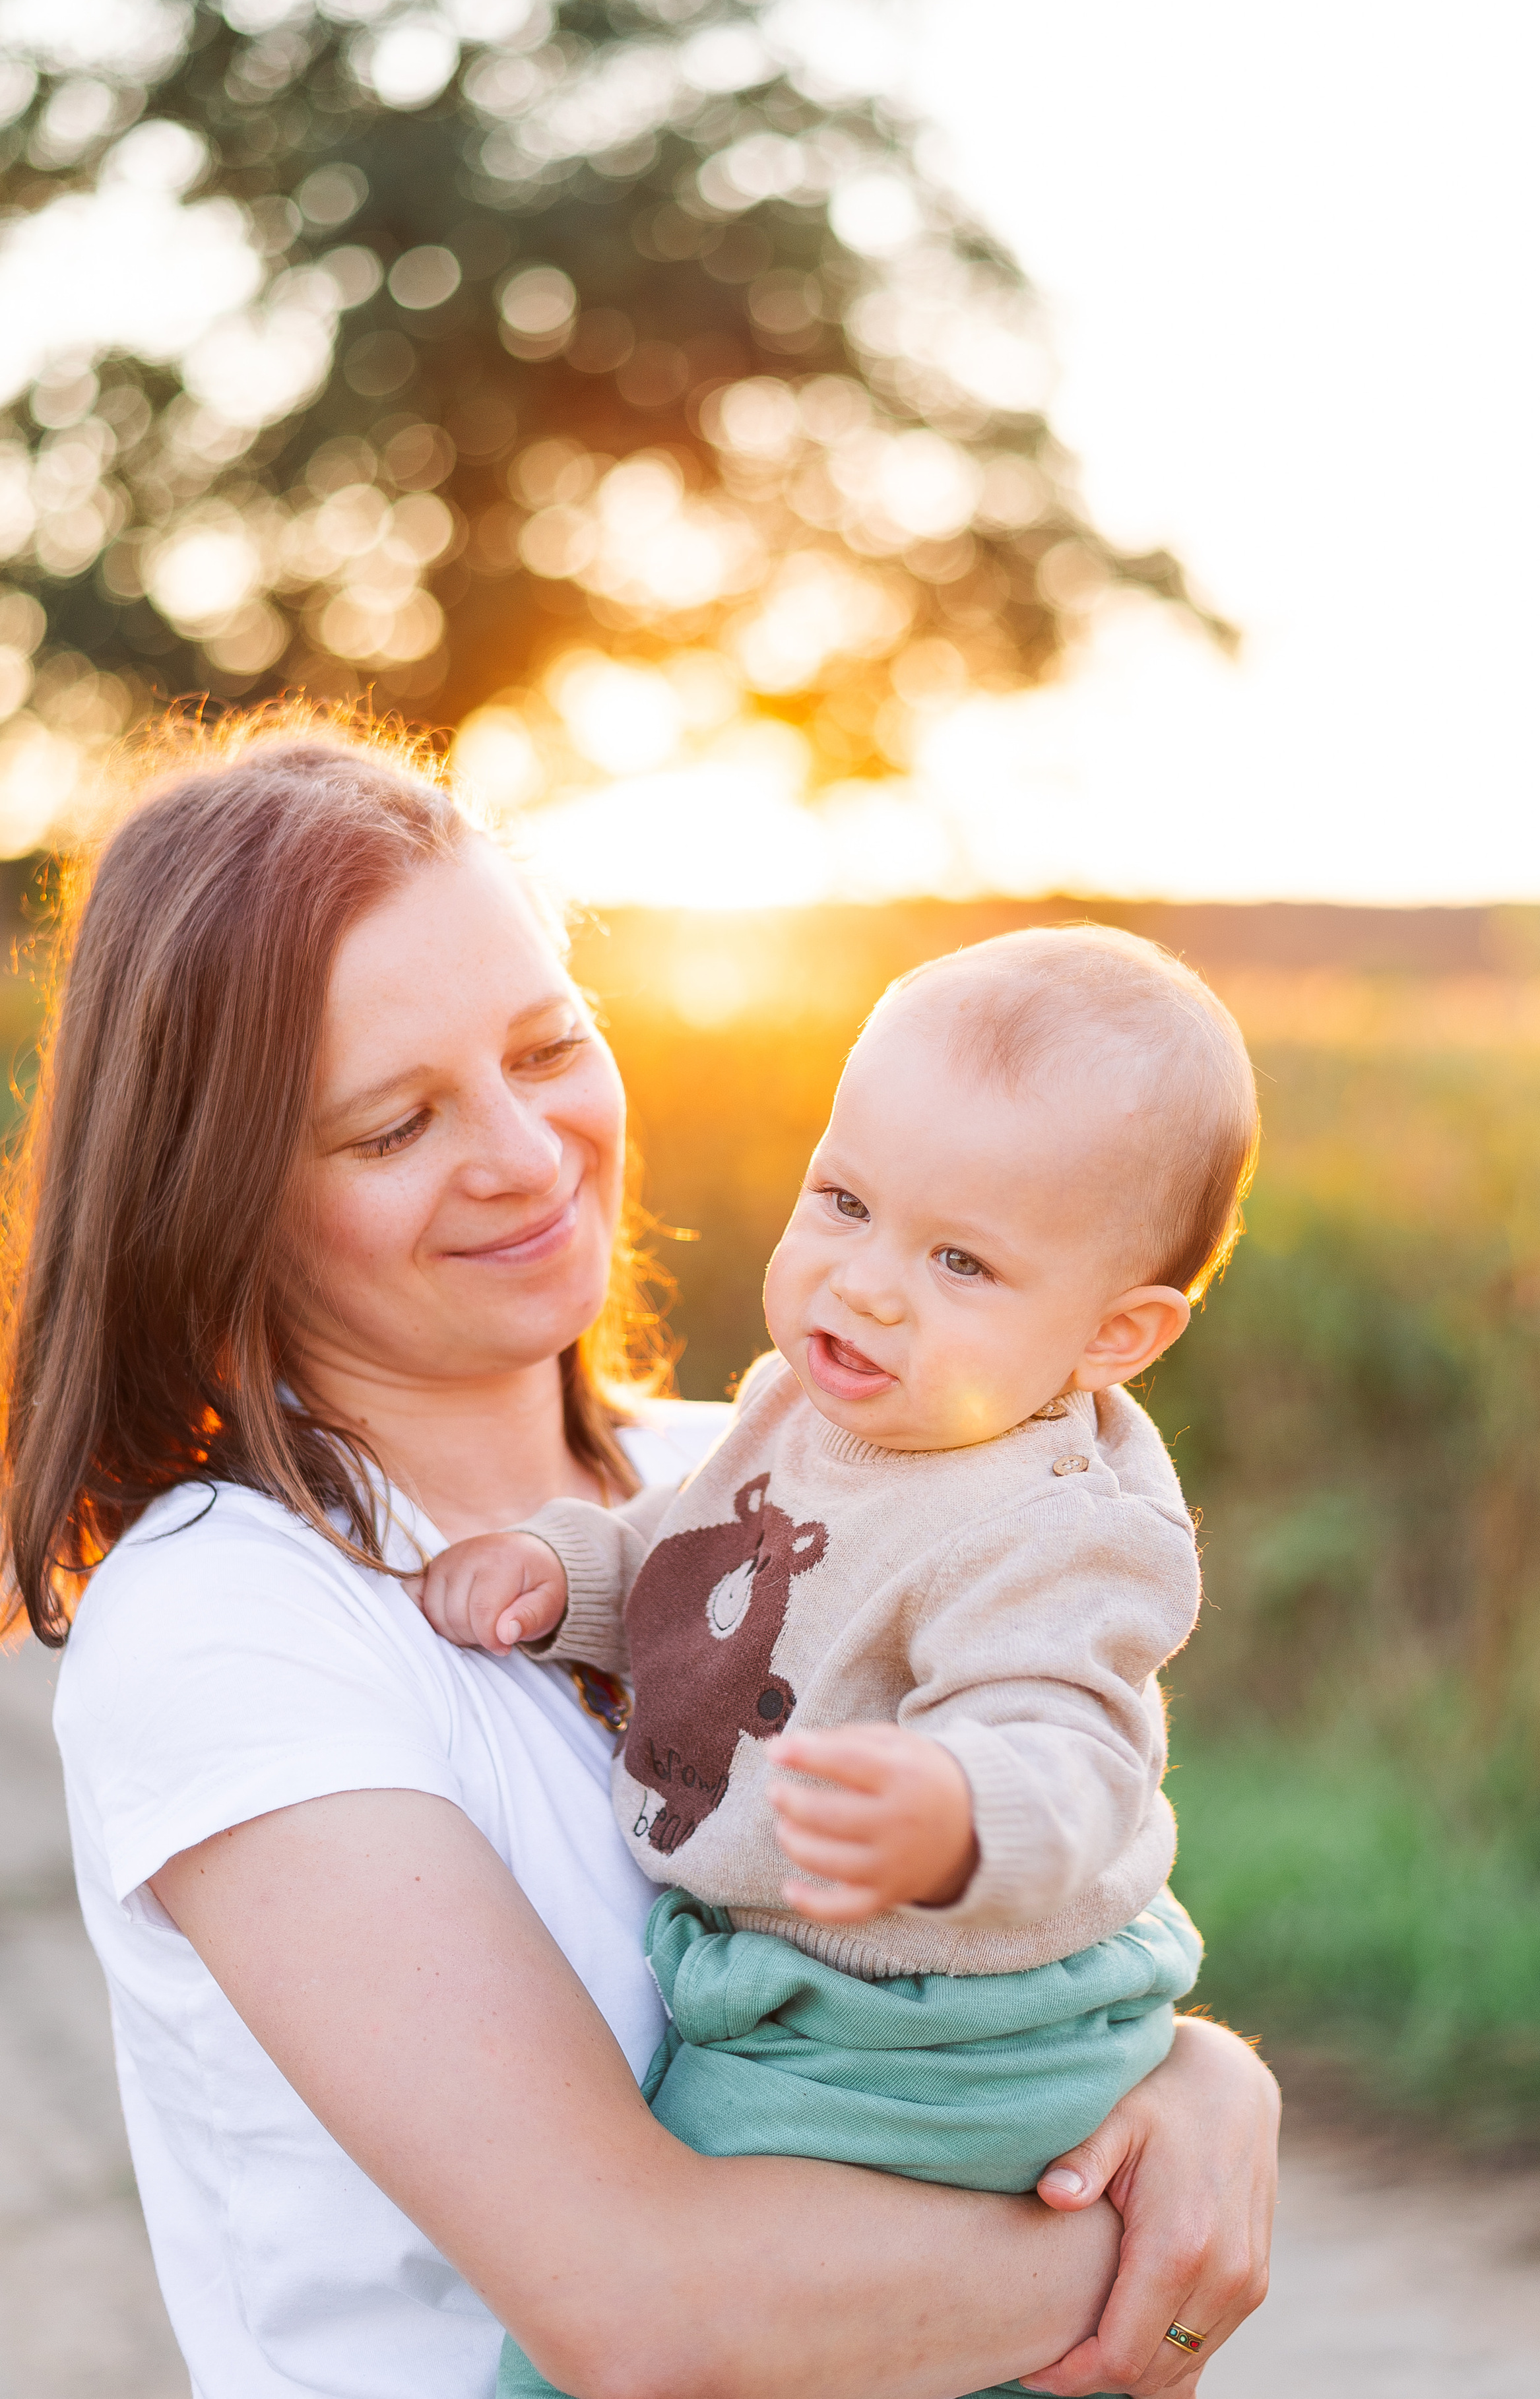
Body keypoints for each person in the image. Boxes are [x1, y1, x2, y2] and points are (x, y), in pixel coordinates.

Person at [0, 711, 1279, 2399]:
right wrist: (1138, 2246)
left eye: (546, 1049)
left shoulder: (758, 1462)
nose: (527, 1159)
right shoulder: (232, 1618)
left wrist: (1197, 2078)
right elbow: (645, 2315)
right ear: (215, 1190)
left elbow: (1030, 1885)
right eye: (394, 1126)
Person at [411, 928, 1257, 2399]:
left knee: (616, 2353)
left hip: (926, 2044)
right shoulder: (801, 1411)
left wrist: (952, 1813)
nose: (864, 1286)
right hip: (800, 2000)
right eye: (845, 1201)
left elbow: (1073, 1751)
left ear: (1113, 1335)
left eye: (959, 1260)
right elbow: (692, 1561)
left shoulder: (1053, 1525)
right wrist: (569, 1576)